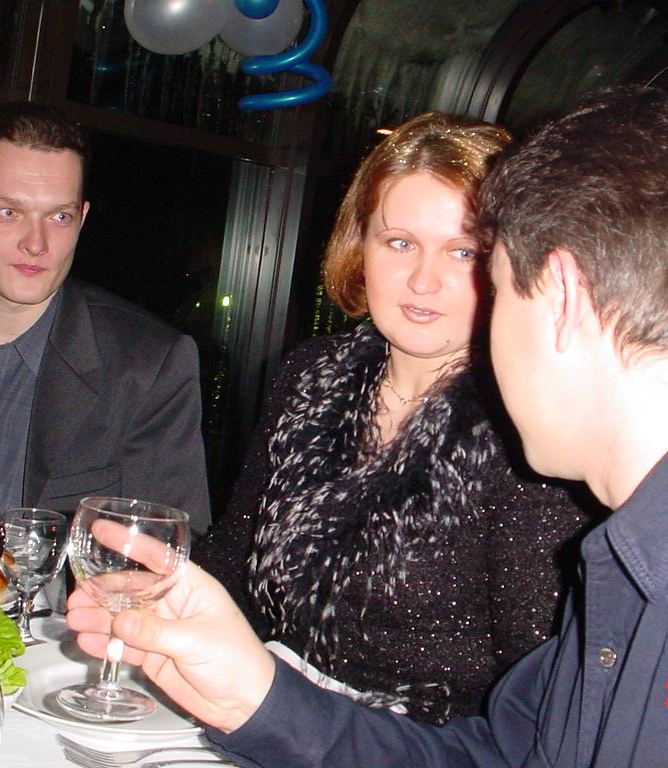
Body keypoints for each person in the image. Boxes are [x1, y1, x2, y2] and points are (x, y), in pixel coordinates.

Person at [67, 86, 668, 766]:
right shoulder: (655, 535)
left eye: (487, 274)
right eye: (399, 243)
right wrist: (256, 697)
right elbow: (506, 754)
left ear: (560, 295)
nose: (438, 288)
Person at [192, 111, 592, 724]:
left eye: (463, 251)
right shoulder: (311, 375)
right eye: (400, 243)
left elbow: (537, 699)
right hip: (266, 711)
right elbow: (233, 557)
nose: (423, 281)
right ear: (361, 247)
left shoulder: (528, 428)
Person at [0, 102, 210, 532]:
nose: (36, 243)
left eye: (59, 216)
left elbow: (166, 543)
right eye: (9, 212)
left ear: (82, 219)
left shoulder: (145, 365)